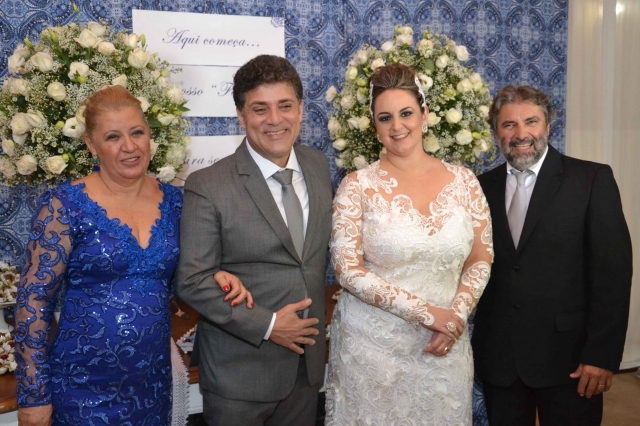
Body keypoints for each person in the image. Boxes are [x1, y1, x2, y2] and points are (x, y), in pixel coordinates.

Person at [14, 85, 250, 426]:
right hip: (80, 390)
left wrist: (216, 275)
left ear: (149, 135)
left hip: (151, 387)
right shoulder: (64, 206)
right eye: (113, 137)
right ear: (91, 144)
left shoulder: (176, 202)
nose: (129, 146)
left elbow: (188, 275)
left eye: (137, 132)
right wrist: (34, 395)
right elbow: (33, 301)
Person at [325, 63, 494, 425]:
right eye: (385, 118)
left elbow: (480, 258)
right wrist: (429, 315)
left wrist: (455, 317)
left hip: (445, 346)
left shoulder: (465, 182)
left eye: (406, 113)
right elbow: (348, 271)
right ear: (374, 126)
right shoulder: (356, 186)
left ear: (425, 114)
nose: (397, 126)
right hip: (372, 353)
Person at [176, 55, 333, 426]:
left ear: (301, 109)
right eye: (260, 109)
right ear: (241, 116)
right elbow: (192, 281)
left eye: (285, 106)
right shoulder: (208, 185)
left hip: (306, 370)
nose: (275, 119)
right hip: (239, 376)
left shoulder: (317, 165)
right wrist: (268, 324)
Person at [472, 85, 633, 425]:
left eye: (531, 121)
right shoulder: (479, 187)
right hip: (500, 361)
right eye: (509, 124)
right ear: (496, 133)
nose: (521, 134)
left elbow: (613, 275)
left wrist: (601, 355)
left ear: (547, 126)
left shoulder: (591, 179)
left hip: (571, 362)